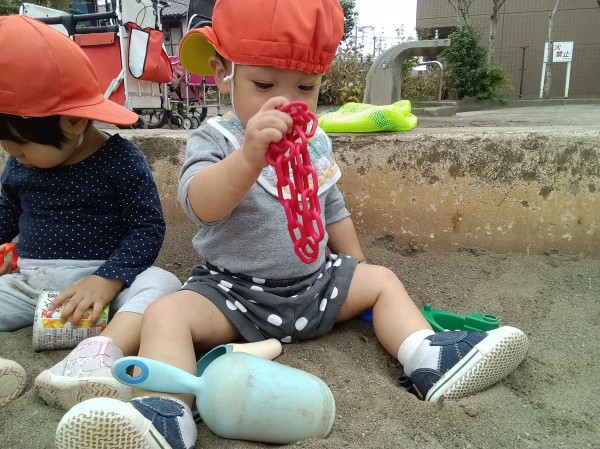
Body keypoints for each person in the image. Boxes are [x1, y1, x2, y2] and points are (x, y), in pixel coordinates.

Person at [54, 1, 530, 448]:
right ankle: (165, 413)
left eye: (305, 88)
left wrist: (356, 267)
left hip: (315, 287)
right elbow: (201, 205)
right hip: (232, 296)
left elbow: (332, 208)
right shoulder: (214, 138)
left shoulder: (314, 140)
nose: (285, 101)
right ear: (223, 73)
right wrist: (248, 158)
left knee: (383, 280)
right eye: (264, 84)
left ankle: (427, 355)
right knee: (166, 314)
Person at [0, 15, 182, 410]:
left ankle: (95, 357)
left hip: (106, 288)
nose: (15, 157)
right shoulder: (20, 164)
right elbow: (7, 210)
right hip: (29, 287)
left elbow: (147, 227)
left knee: (163, 284)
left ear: (73, 119)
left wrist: (109, 279)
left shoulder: (120, 160)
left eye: (20, 147)